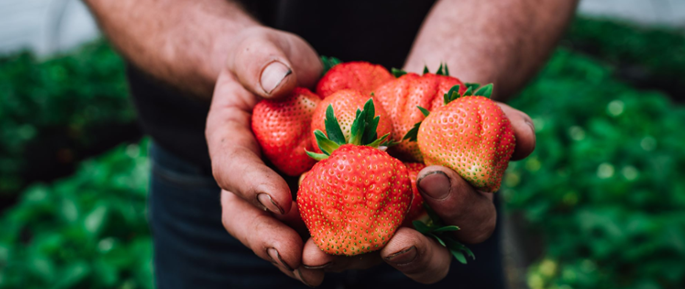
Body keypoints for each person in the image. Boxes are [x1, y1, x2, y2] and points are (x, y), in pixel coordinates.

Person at [84, 1, 577, 288]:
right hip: (215, 176)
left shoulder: (416, 148)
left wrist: (440, 92)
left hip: (433, 199)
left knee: (436, 216)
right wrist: (235, 56)